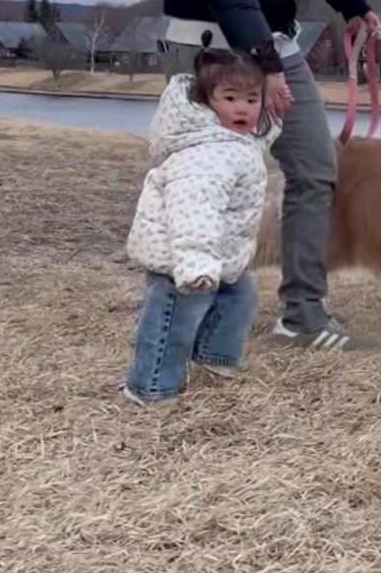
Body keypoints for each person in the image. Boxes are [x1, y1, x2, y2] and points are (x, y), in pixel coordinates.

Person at [158, 0, 378, 351]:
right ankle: (184, 328)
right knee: (205, 188)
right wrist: (263, 57)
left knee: (316, 167)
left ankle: (303, 317)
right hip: (210, 43)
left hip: (274, 38)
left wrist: (352, 2)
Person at [120, 49, 280, 405]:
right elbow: (193, 210)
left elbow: (255, 141)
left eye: (252, 99)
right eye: (230, 98)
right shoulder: (206, 154)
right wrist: (195, 263)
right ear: (206, 104)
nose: (243, 108)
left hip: (218, 255)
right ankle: (150, 387)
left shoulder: (233, 142)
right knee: (171, 322)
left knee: (239, 293)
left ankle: (214, 356)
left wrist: (276, 114)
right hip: (186, 258)